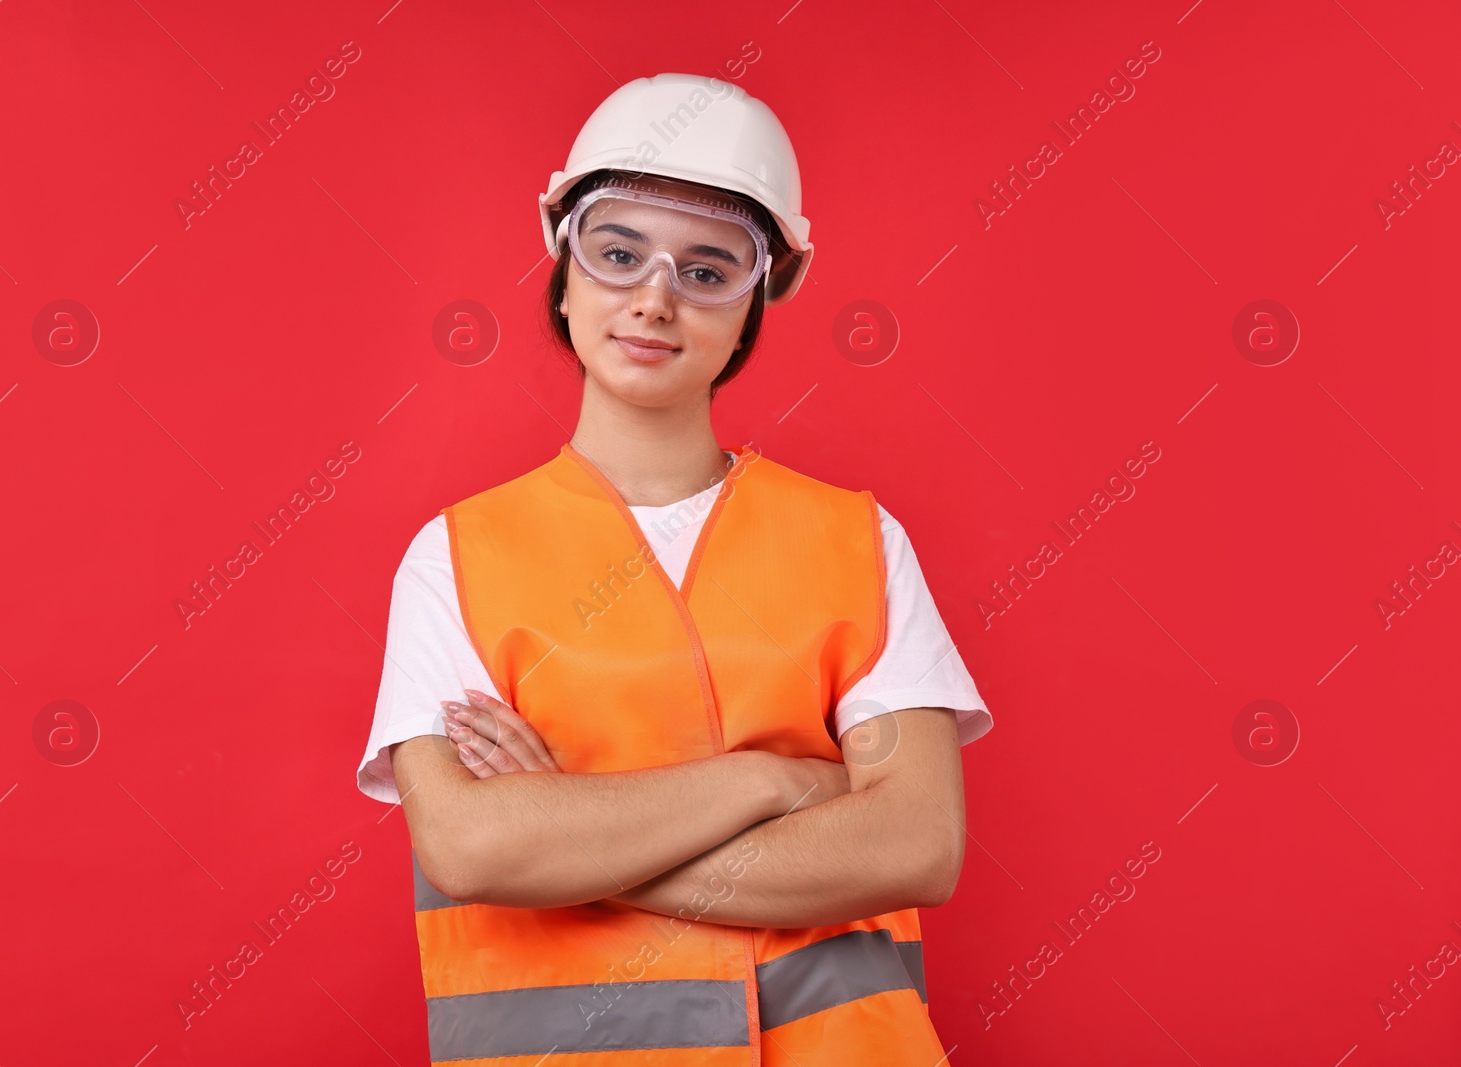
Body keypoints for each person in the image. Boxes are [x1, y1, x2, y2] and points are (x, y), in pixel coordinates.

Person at [355, 72, 994, 1065]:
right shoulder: (455, 557)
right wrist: (775, 779)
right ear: (561, 265)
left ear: (759, 297)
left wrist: (566, 840)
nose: (653, 299)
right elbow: (471, 847)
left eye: (706, 270)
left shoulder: (857, 539)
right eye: (617, 254)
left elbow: (916, 845)